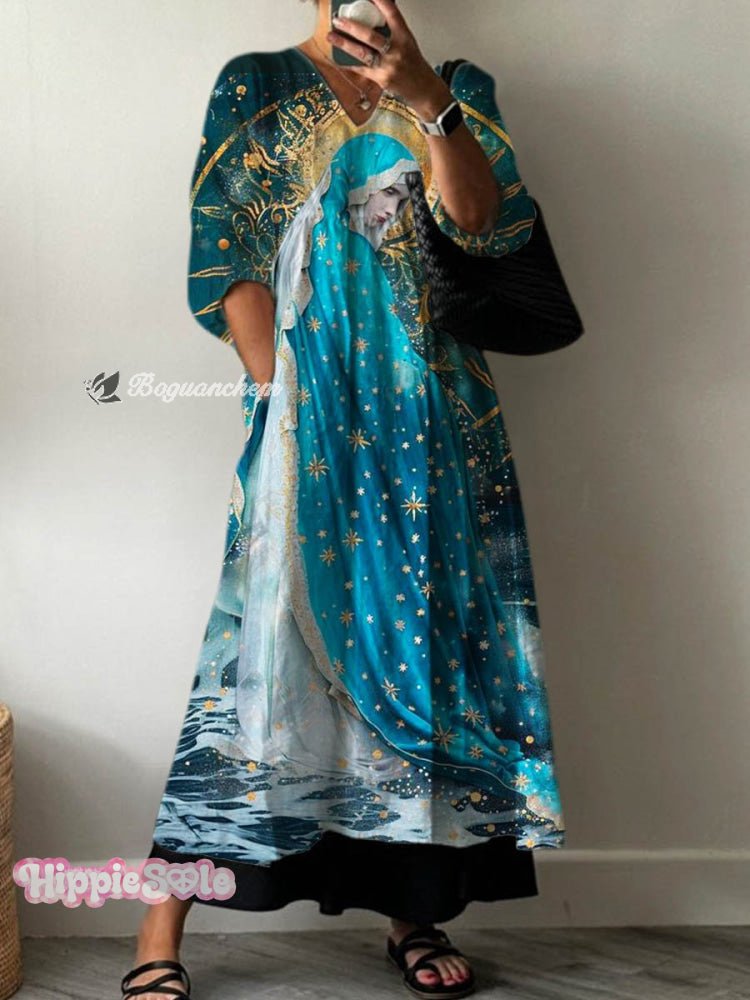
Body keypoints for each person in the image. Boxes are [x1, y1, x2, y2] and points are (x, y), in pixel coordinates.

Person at [120, 2, 566, 998]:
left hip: (434, 433)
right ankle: (159, 923)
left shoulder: (459, 88)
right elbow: (225, 253)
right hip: (304, 422)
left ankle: (411, 910)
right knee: (251, 661)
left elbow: (484, 226)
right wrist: (281, 401)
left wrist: (427, 97)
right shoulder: (255, 84)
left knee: (414, 660)